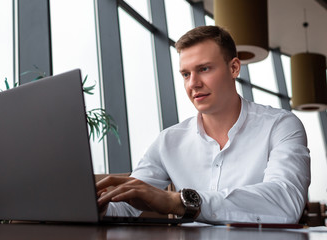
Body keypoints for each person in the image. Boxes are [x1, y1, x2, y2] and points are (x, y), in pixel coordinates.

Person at [97, 26, 310, 224]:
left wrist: (179, 202)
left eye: (204, 69)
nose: (193, 84)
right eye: (186, 74)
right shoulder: (168, 141)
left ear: (234, 68)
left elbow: (286, 201)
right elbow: (123, 208)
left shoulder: (281, 125)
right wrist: (99, 206)